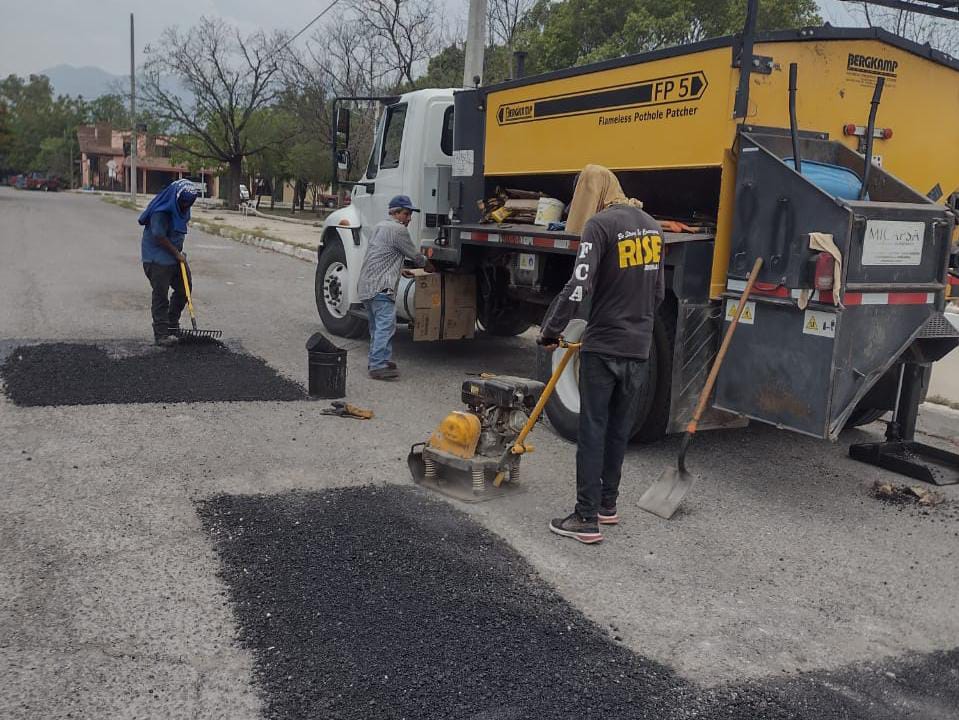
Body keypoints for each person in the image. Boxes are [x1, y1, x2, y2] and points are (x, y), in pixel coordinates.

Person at [539, 165, 664, 544]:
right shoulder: (653, 227)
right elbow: (657, 293)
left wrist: (550, 330)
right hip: (639, 348)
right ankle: (608, 505)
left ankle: (585, 517)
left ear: (593, 191)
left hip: (605, 345)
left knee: (592, 429)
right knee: (618, 428)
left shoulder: (600, 226)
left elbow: (578, 286)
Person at [356, 195, 429, 380]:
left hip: (366, 285)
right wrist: (429, 266)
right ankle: (378, 366)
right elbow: (416, 257)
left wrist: (400, 270)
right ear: (395, 212)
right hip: (382, 287)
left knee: (376, 327)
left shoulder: (379, 226)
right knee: (386, 326)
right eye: (406, 213)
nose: (409, 218)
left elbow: (380, 255)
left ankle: (378, 360)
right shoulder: (398, 230)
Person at [138, 179, 198, 347]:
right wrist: (176, 253)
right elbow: (159, 236)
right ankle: (161, 333)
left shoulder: (182, 207)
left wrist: (178, 252)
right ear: (177, 198)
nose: (186, 206)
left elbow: (178, 230)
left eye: (189, 204)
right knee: (160, 295)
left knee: (185, 289)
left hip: (175, 256)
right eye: (184, 203)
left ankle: (172, 324)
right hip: (156, 258)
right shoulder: (161, 211)